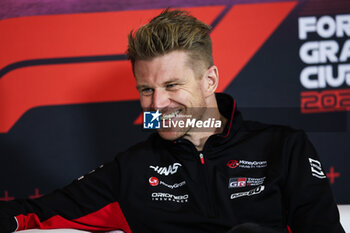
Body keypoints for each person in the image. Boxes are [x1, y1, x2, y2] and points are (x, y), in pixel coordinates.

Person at [0, 9, 345, 233]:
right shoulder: (132, 169)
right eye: (146, 89)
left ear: (209, 81)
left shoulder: (283, 147)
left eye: (172, 86)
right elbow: (33, 211)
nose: (158, 103)